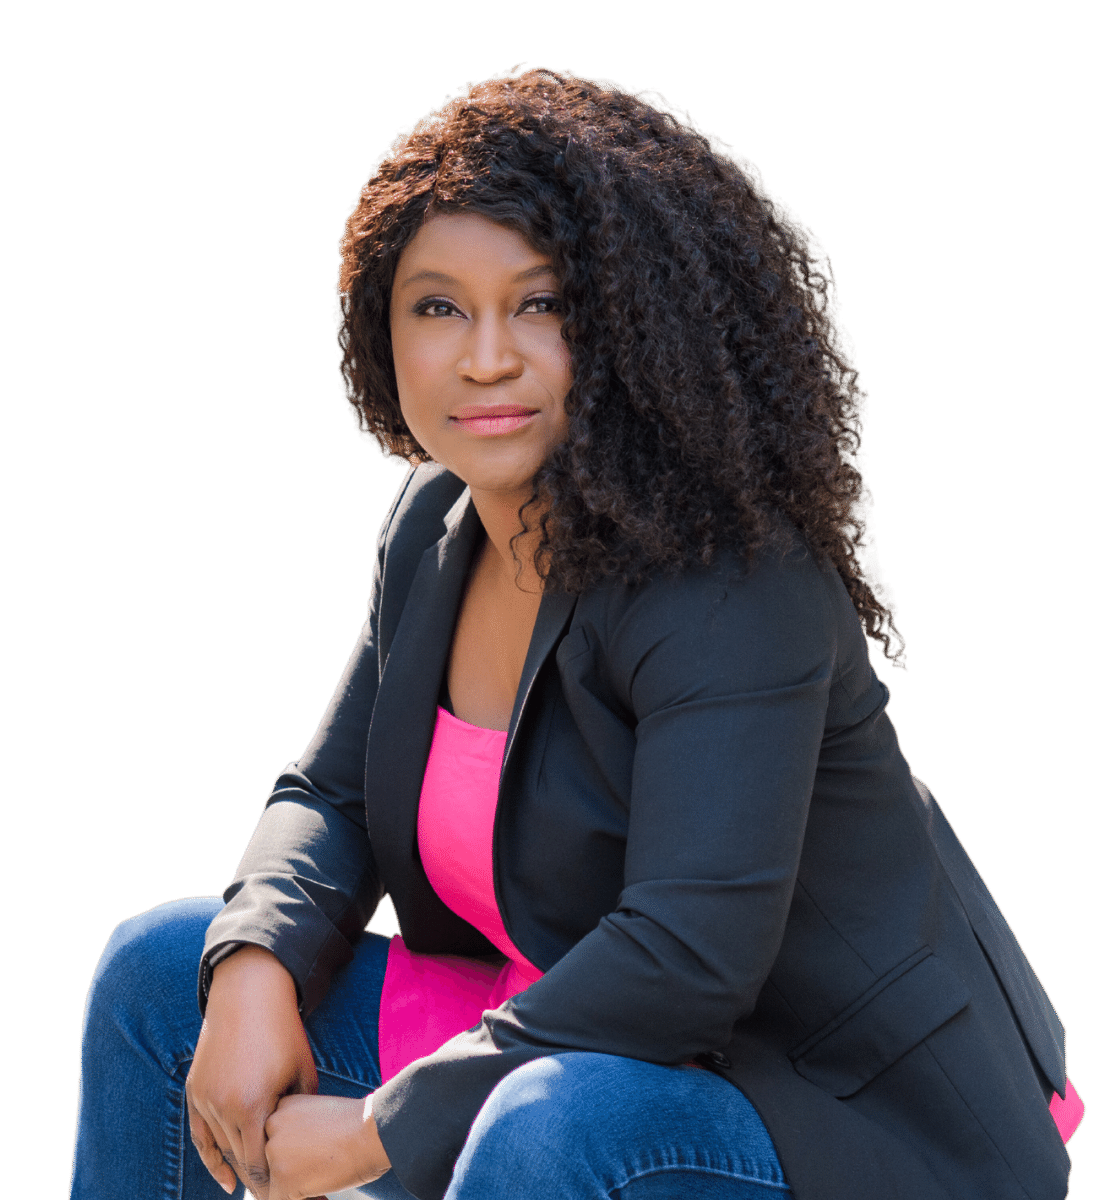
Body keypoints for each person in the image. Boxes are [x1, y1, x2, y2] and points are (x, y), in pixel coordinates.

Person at [69, 66, 1083, 1200]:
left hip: (829, 1103)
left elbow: (687, 960)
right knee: (163, 979)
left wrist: (371, 1136)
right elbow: (334, 795)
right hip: (564, 1033)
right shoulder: (437, 521)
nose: (485, 358)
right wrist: (255, 962)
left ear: (629, 324)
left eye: (541, 304)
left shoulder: (729, 581)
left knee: (541, 1124)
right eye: (438, 307)